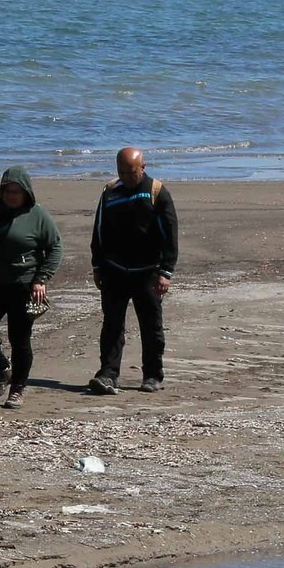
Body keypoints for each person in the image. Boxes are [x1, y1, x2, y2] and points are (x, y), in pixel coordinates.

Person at [0, 167, 62, 409]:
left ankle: (17, 388)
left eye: (16, 192)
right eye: (7, 191)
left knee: (19, 339)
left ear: (26, 192)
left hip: (24, 286)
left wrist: (42, 279)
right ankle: (2, 367)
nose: (11, 196)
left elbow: (55, 248)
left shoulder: (38, 215)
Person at [89, 146, 179, 394]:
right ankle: (108, 374)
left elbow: (170, 236)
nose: (127, 178)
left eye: (132, 172)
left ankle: (152, 375)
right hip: (114, 270)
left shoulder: (156, 192)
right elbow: (99, 231)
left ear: (143, 167)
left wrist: (166, 272)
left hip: (148, 272)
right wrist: (97, 265)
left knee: (151, 327)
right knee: (112, 325)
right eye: (122, 173)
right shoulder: (110, 192)